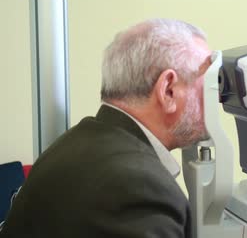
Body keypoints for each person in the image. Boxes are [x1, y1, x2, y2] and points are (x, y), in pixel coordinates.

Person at [0, 19, 212, 237]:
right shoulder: (140, 189)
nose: (216, 98)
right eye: (209, 84)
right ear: (168, 90)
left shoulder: (78, 142)